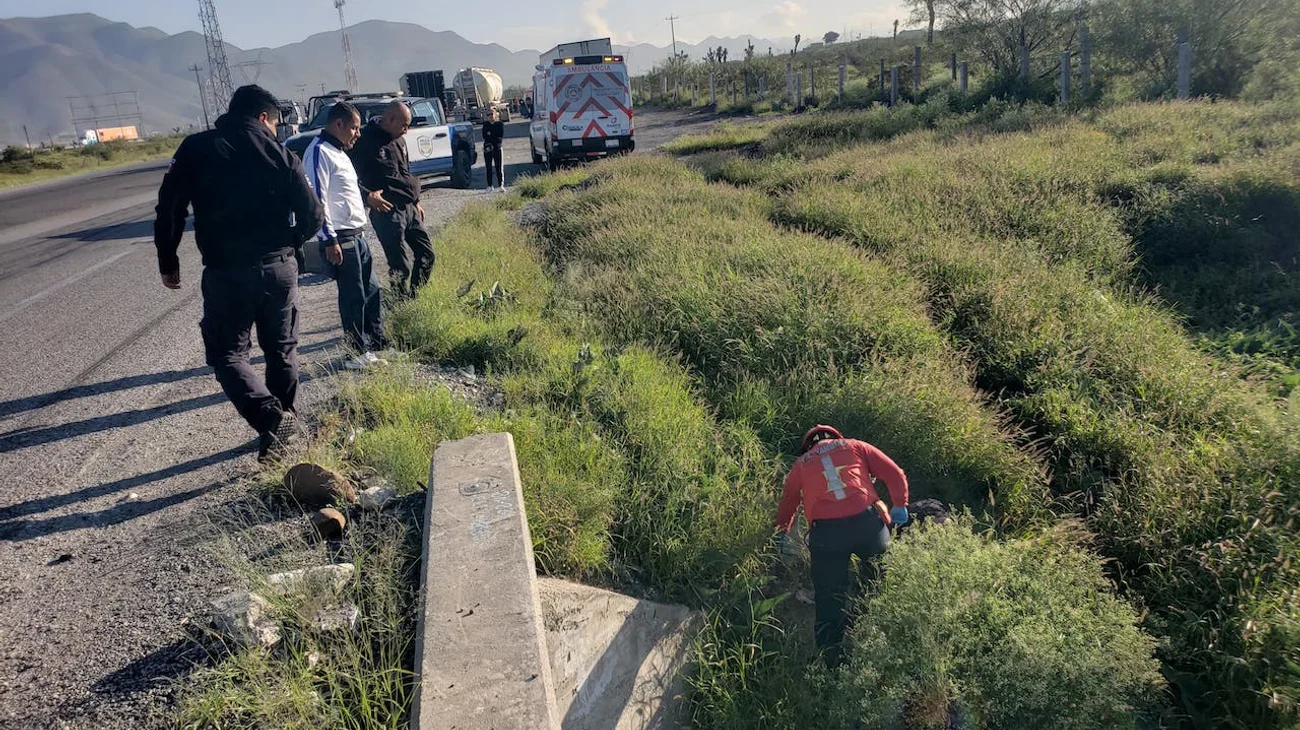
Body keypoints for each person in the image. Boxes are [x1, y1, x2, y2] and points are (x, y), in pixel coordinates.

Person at [154, 84, 324, 462]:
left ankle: (272, 421)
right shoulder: (280, 154)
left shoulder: (195, 149)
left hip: (227, 272)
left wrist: (168, 258)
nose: (276, 130)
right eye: (276, 123)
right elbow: (314, 213)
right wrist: (291, 246)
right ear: (263, 116)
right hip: (279, 268)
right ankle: (281, 427)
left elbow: (169, 208)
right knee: (281, 351)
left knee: (228, 356)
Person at [774, 424, 910, 667]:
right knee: (877, 578)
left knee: (829, 597)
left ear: (807, 447)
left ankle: (831, 661)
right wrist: (900, 505)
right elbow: (894, 473)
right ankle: (876, 633)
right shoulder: (855, 445)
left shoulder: (801, 464)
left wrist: (781, 532)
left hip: (827, 536)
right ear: (838, 437)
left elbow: (788, 502)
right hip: (868, 526)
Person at [302, 101, 388, 370]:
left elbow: (345, 190)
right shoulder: (319, 152)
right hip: (341, 237)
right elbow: (317, 199)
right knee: (353, 296)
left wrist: (367, 197)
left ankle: (376, 343)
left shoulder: (339, 151)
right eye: (354, 127)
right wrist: (329, 240)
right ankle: (355, 352)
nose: (358, 134)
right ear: (338, 124)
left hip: (358, 235)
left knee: (371, 292)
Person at [348, 100, 433, 299]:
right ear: (391, 120)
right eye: (404, 125)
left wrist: (416, 201)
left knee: (427, 254)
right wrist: (366, 197)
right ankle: (400, 303)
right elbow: (347, 175)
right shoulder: (365, 141)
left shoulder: (399, 140)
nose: (406, 130)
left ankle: (415, 297)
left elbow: (406, 172)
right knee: (400, 266)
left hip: (409, 209)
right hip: (387, 212)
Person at [482, 107, 505, 192]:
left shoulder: (500, 124)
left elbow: (500, 136)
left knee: (498, 166)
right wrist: (491, 138)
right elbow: (485, 136)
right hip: (488, 148)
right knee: (488, 167)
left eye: (492, 114)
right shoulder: (485, 125)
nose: (490, 116)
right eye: (488, 114)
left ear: (495, 114)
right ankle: (489, 186)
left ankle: (501, 185)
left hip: (497, 147)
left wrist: (491, 137)